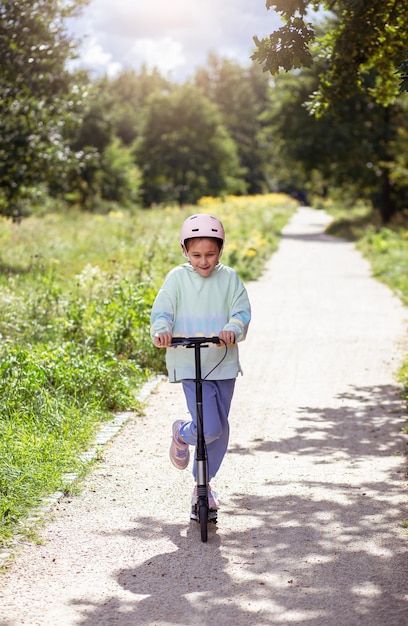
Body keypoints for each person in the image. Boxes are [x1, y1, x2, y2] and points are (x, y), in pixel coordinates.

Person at [150, 213, 251, 520]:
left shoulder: (230, 278)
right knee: (211, 427)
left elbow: (242, 311)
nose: (204, 261)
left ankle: (202, 486)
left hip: (222, 362)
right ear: (185, 251)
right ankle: (182, 433)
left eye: (210, 254)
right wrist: (162, 330)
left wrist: (232, 328)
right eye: (196, 255)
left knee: (219, 431)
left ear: (220, 250)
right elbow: (162, 310)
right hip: (189, 362)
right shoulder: (177, 279)